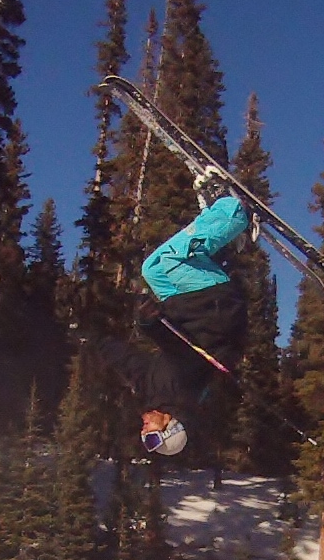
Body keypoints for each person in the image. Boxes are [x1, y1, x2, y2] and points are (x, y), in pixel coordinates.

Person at [101, 182, 252, 456]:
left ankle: (218, 221)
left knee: (153, 269)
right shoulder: (184, 395)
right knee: (173, 259)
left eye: (146, 439)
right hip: (214, 311)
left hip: (190, 310)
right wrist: (151, 325)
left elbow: (130, 363)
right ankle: (236, 213)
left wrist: (93, 340)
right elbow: (180, 351)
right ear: (170, 428)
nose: (144, 432)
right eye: (152, 438)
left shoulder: (154, 394)